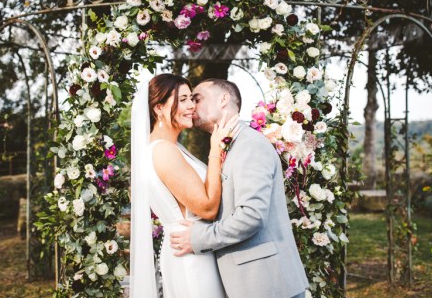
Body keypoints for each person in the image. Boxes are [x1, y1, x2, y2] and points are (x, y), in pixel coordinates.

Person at [169, 78, 309, 298]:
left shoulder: (249, 145)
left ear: (223, 99)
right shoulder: (227, 144)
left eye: (197, 98)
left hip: (267, 284)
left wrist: (199, 237)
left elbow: (251, 216)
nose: (192, 106)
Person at [129, 73, 239, 298]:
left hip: (192, 250)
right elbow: (207, 208)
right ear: (159, 108)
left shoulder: (168, 147)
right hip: (192, 259)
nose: (191, 106)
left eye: (193, 99)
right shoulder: (163, 151)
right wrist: (215, 151)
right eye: (183, 100)